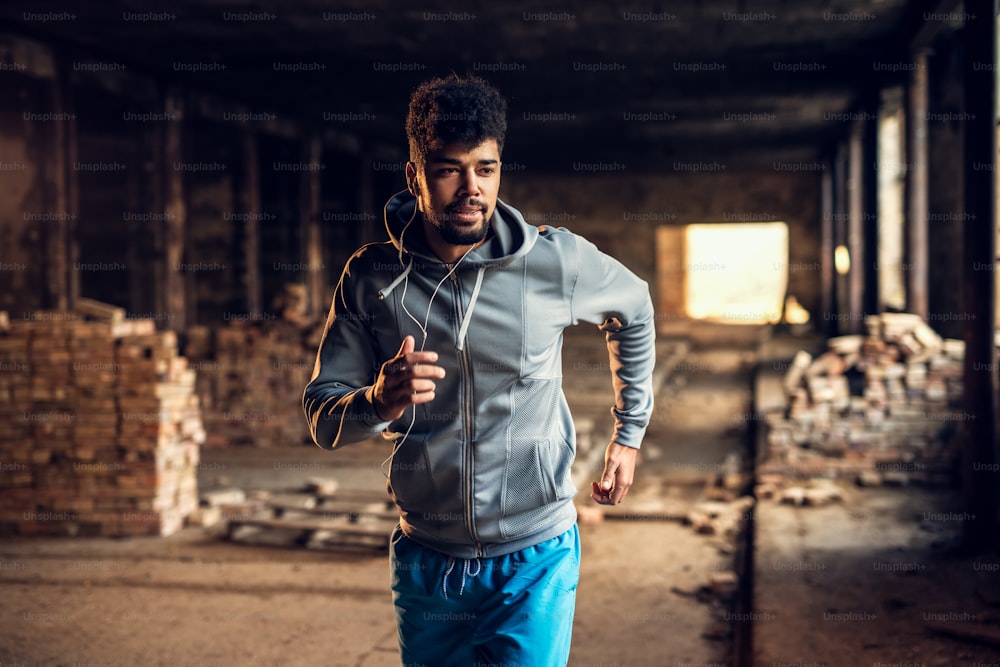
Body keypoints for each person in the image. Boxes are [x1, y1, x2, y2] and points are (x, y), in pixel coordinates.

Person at [303, 74, 655, 667]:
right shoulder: (370, 278)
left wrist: (629, 433)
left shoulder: (555, 261)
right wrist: (377, 402)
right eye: (448, 170)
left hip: (535, 554)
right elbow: (323, 418)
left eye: (485, 170)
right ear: (415, 175)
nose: (471, 189)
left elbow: (635, 306)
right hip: (427, 559)